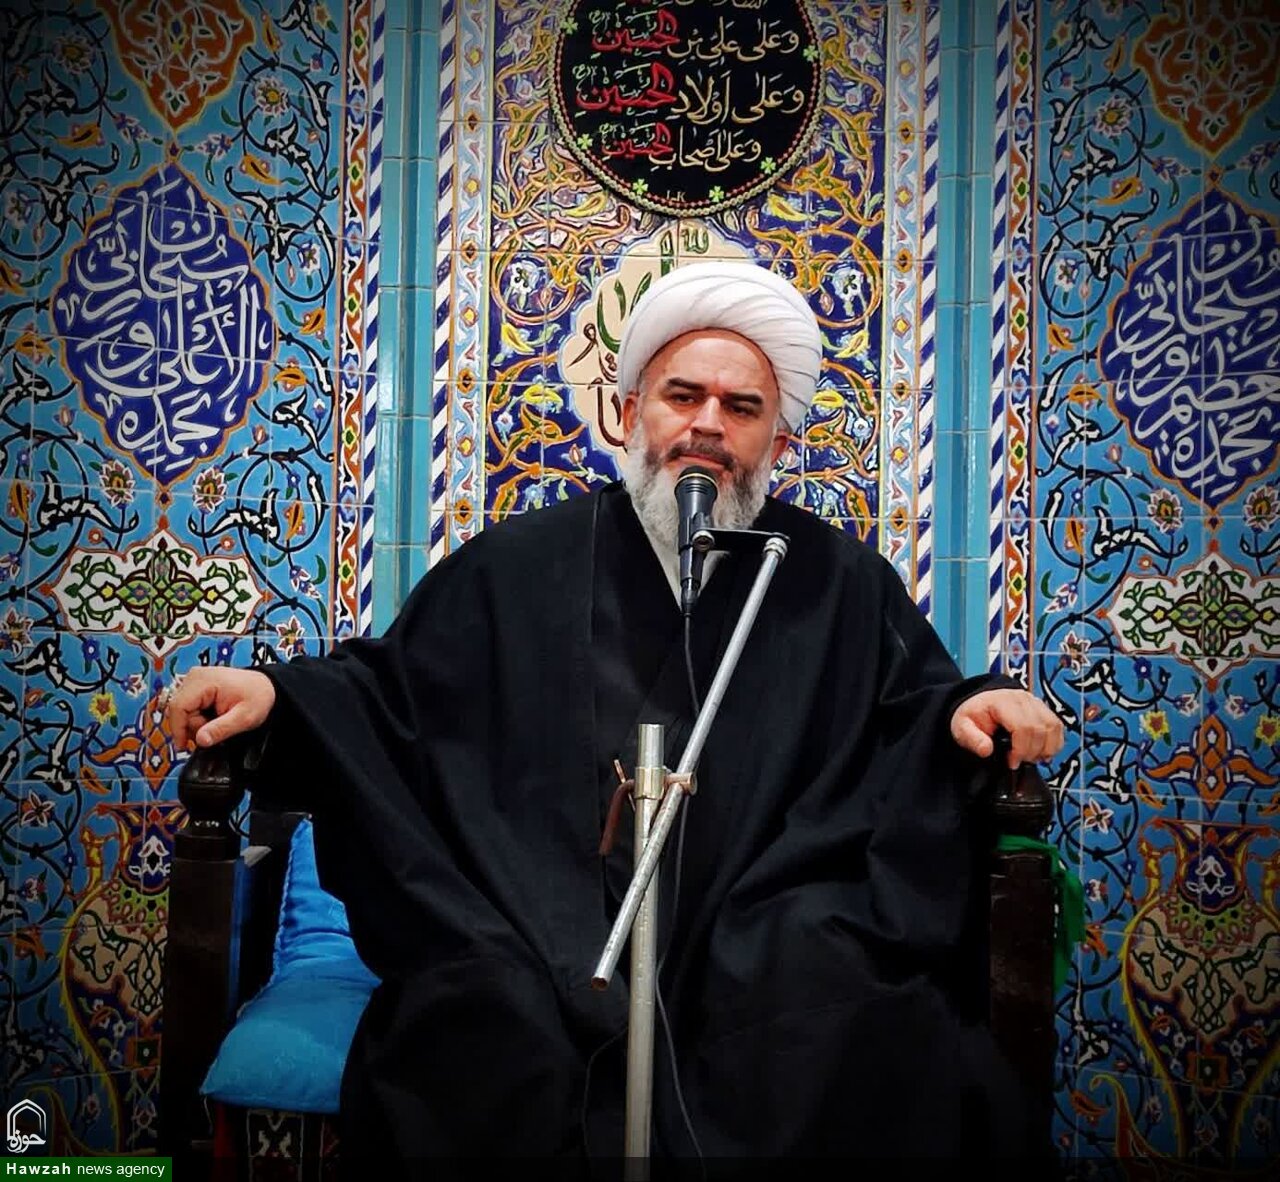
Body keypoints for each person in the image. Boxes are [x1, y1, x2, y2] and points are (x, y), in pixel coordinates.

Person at [168, 261, 1065, 1169]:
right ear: (631, 413)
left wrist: (974, 704)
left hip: (758, 926)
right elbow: (390, 698)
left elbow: (909, 711)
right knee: (481, 1024)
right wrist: (280, 701)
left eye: (741, 407)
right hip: (534, 922)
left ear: (778, 441)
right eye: (683, 396)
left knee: (844, 1013)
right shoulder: (517, 566)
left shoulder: (834, 581)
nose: (708, 424)